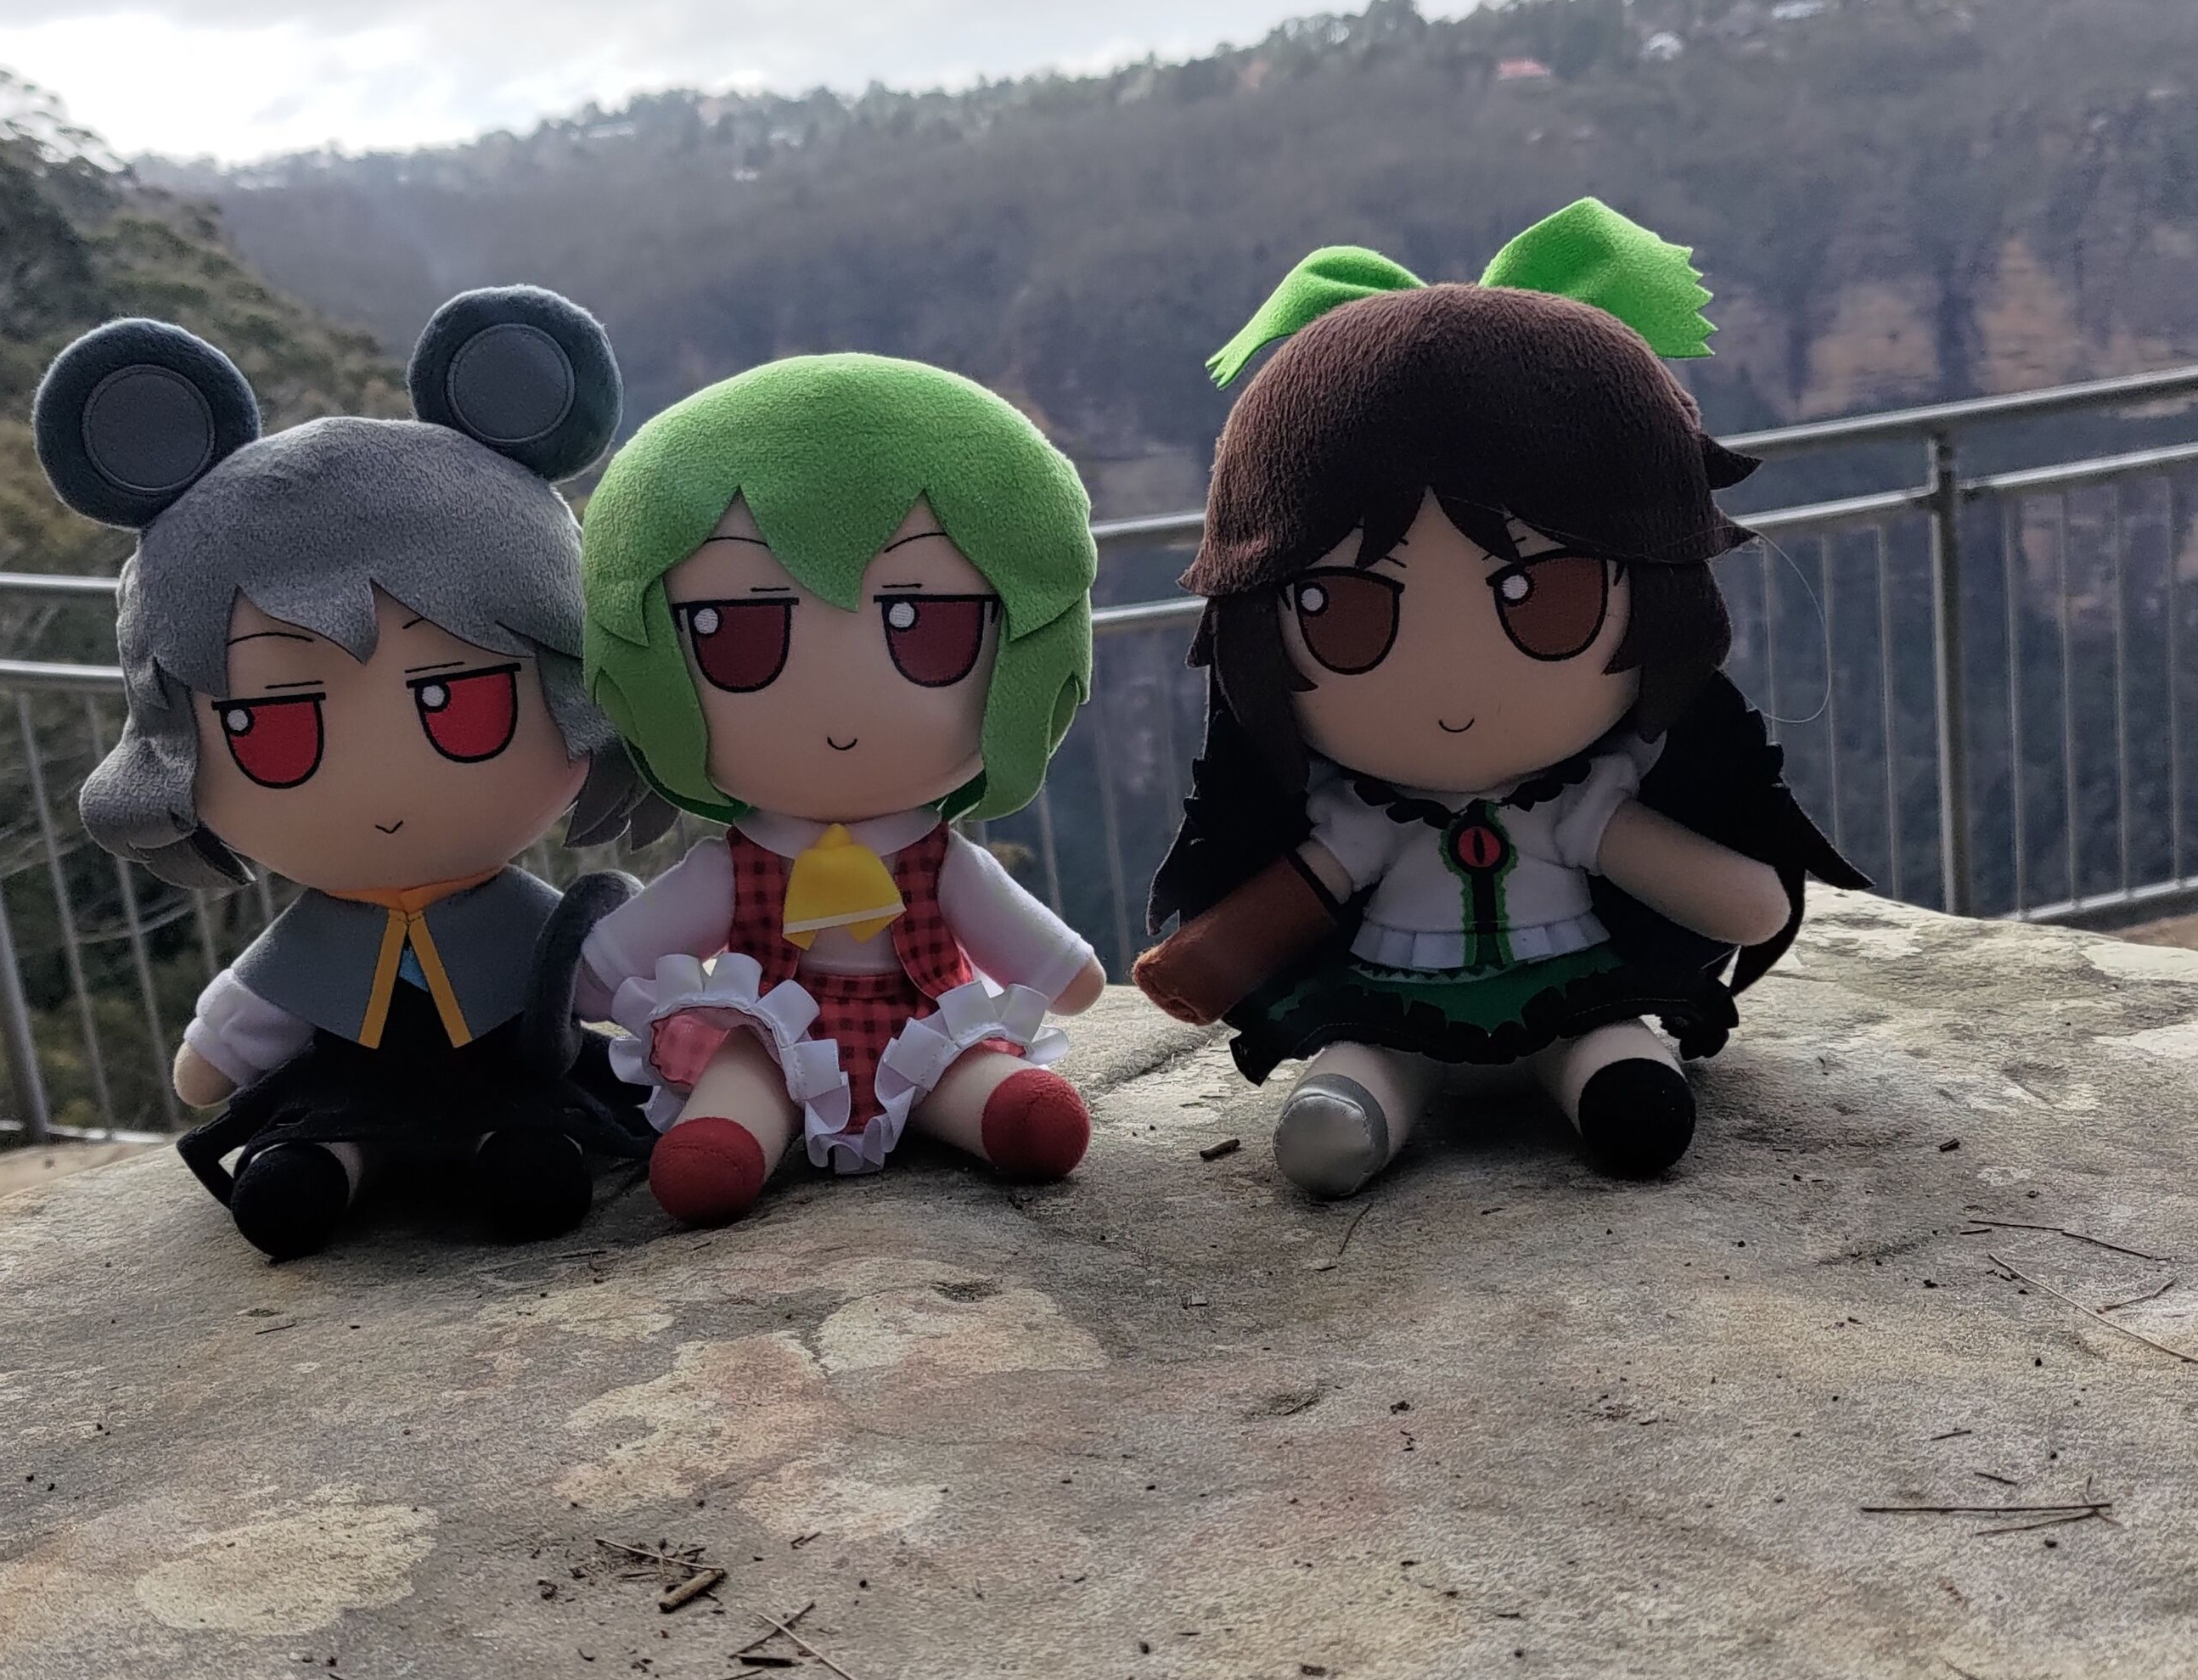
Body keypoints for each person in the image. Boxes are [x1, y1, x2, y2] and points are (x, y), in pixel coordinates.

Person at [1133, 199, 1865, 1199]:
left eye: (1546, 597)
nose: (1449, 687)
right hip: (1396, 997)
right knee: (1368, 1058)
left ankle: (1609, 1079)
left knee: (1610, 1047)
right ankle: (1363, 1098)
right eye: (1345, 611)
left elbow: (1748, 907)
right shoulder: (1364, 821)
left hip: (1574, 987)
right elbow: (1290, 898)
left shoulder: (1585, 800)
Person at [39, 287, 666, 1259]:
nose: (380, 787)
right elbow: (228, 1047)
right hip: (348, 1082)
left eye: (462, 703)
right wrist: (218, 1050)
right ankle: (334, 1160)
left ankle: (503, 1145)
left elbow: (618, 986)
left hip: (518, 1076)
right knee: (306, 1154)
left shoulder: (525, 922)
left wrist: (664, 1012)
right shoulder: (319, 935)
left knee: (535, 1153)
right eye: (272, 731)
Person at [575, 352, 1108, 1226]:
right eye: (732, 633)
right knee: (743, 1080)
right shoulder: (738, 866)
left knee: (982, 1083)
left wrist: (1064, 973)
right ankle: (732, 1140)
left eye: (926, 627)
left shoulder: (935, 863)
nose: (840, 709)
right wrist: (587, 977)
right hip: (770, 1027)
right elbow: (607, 969)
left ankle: (993, 1107)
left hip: (921, 1020)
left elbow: (1048, 962)